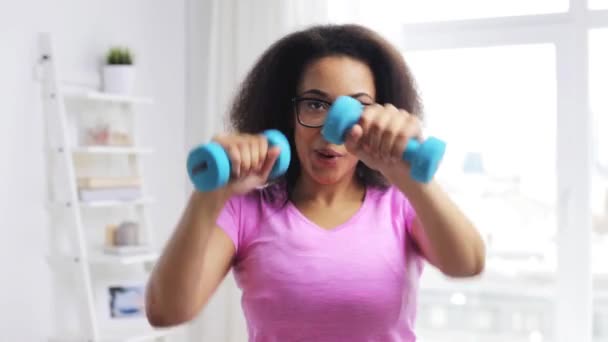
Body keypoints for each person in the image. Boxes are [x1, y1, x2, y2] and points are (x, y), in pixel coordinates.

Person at [145, 23, 486, 341]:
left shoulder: (402, 202)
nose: (330, 131)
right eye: (315, 104)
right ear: (287, 114)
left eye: (357, 107)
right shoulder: (245, 209)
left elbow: (468, 264)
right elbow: (166, 312)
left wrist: (410, 179)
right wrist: (208, 197)